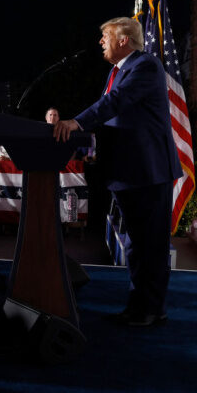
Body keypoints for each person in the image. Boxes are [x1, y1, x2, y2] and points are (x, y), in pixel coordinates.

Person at [54, 17, 182, 327]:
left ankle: (152, 309)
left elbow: (115, 103)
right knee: (137, 244)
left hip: (148, 171)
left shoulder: (145, 66)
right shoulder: (117, 72)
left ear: (123, 39)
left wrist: (77, 122)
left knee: (150, 244)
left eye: (105, 36)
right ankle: (140, 306)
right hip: (128, 172)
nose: (101, 42)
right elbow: (111, 117)